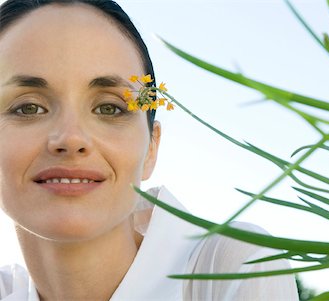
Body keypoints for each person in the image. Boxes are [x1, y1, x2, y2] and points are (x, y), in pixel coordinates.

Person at [0, 0, 299, 300]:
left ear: (151, 148)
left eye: (109, 107)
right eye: (28, 108)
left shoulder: (233, 267)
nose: (71, 138)